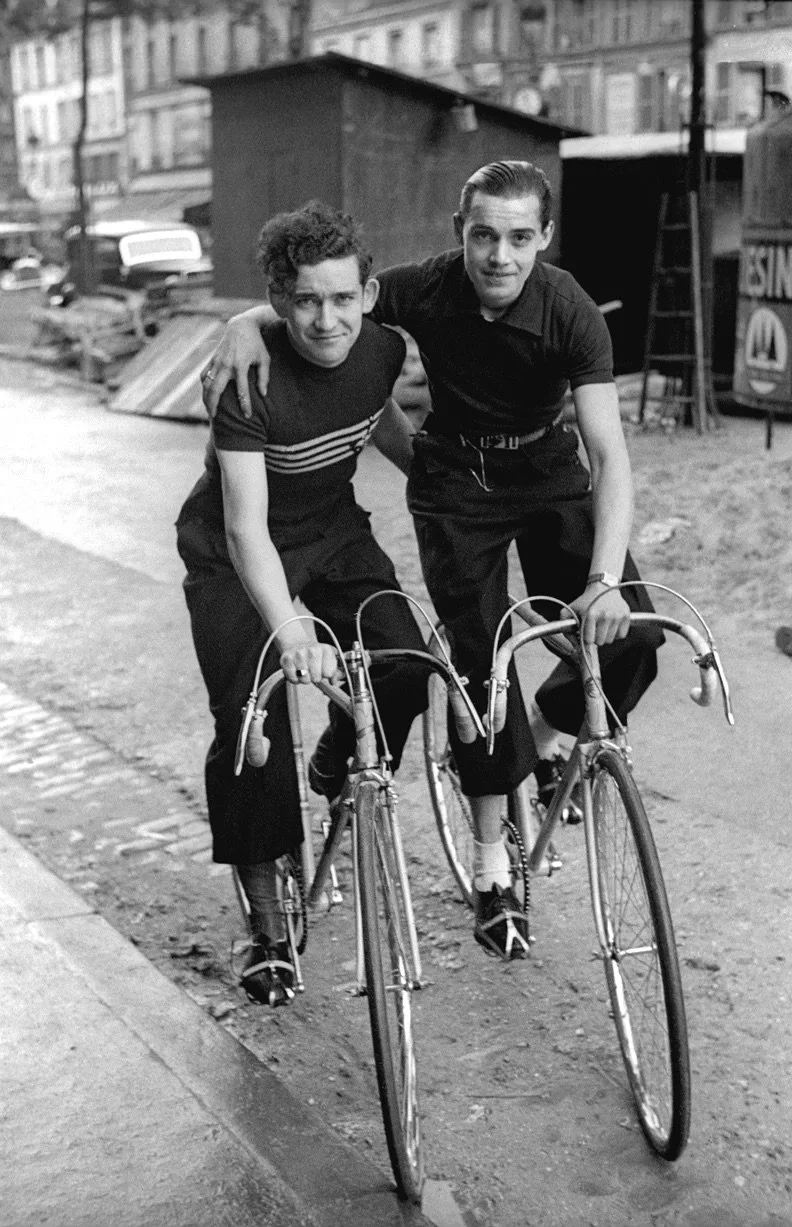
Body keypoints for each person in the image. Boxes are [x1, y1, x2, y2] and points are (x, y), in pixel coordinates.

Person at [200, 160, 663, 963]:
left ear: (545, 239)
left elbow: (603, 451)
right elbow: (323, 303)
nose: (500, 255)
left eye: (521, 237)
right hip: (353, 515)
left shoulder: (542, 317)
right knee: (443, 674)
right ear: (461, 234)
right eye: (484, 234)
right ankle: (441, 881)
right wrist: (241, 323)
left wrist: (596, 578)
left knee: (590, 642)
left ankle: (528, 738)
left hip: (470, 494)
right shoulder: (385, 308)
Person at [177, 200, 428, 1006]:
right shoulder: (246, 381)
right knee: (250, 720)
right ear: (280, 303)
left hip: (332, 534)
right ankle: (267, 927)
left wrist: (433, 475)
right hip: (235, 553)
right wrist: (288, 629)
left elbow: (373, 413)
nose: (328, 319)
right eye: (307, 301)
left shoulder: (383, 349)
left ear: (367, 294)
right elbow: (246, 527)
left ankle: (335, 760)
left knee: (404, 659)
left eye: (342, 298)